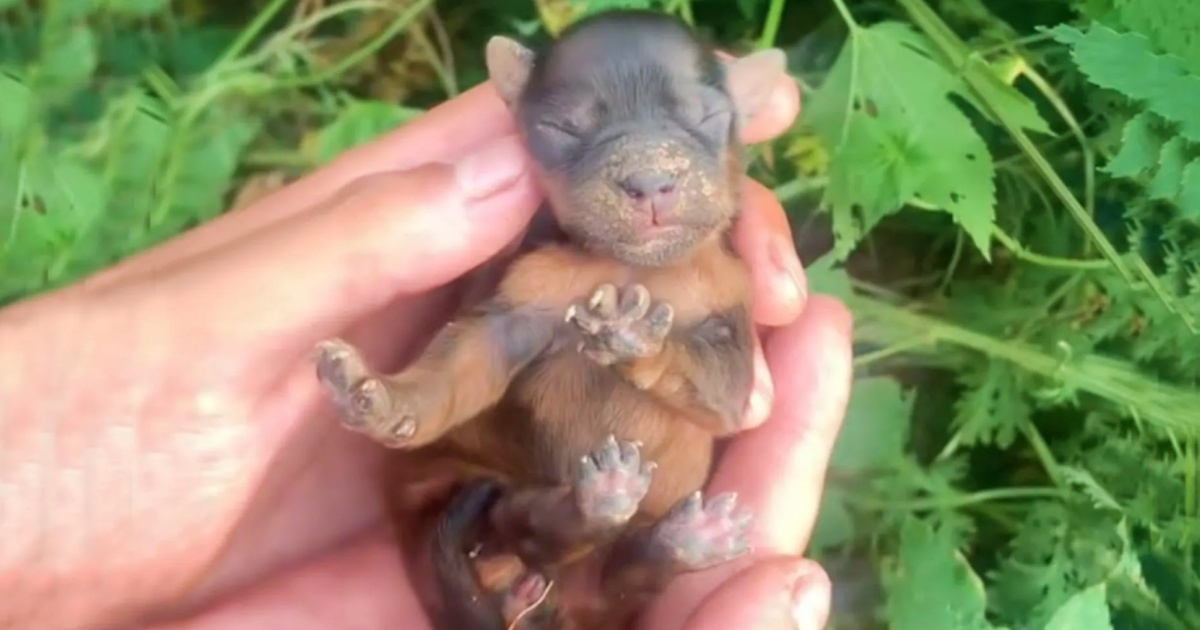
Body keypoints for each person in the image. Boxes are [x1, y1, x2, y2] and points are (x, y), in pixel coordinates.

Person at [0, 68, 852, 630]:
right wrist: (400, 404)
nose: (650, 197)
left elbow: (723, 396)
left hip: (603, 531)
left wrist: (650, 352)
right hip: (508, 503)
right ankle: (618, 533)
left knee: (621, 566)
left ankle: (648, 543)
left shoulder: (722, 287)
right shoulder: (545, 275)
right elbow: (476, 356)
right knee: (530, 527)